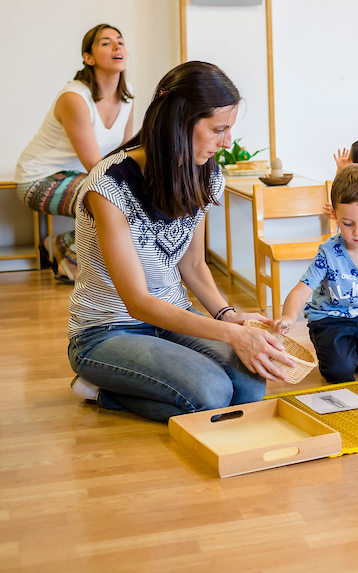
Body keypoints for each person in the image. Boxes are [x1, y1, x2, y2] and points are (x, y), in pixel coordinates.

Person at [67, 61, 289, 422]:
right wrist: (232, 337)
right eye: (219, 129)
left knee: (249, 386)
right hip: (107, 332)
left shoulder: (205, 173)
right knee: (212, 394)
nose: (227, 142)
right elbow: (138, 303)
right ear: (180, 123)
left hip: (172, 318)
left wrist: (230, 317)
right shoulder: (109, 186)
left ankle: (137, 384)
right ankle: (104, 390)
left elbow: (193, 265)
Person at [16, 24, 136, 283]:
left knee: (131, 197)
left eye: (120, 41)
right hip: (39, 179)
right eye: (106, 42)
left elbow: (126, 154)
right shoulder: (75, 97)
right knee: (113, 199)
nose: (117, 46)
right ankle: (68, 252)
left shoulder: (127, 98)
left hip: (81, 177)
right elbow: (94, 163)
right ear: (88, 58)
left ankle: (62, 246)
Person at [274, 163, 358, 384]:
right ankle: (346, 352)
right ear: (335, 215)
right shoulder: (328, 252)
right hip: (331, 319)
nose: (357, 232)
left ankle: (357, 351)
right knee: (339, 373)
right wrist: (288, 316)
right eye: (347, 223)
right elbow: (301, 291)